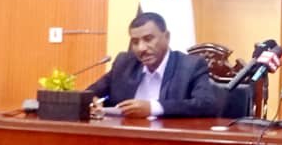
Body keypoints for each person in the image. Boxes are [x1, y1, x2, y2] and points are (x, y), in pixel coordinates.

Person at [87, 12, 221, 118]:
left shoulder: (190, 66)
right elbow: (89, 94)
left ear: (167, 37)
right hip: (124, 138)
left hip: (169, 140)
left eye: (148, 39)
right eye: (135, 42)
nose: (141, 48)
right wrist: (92, 101)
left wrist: (153, 108)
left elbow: (206, 105)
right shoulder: (125, 63)